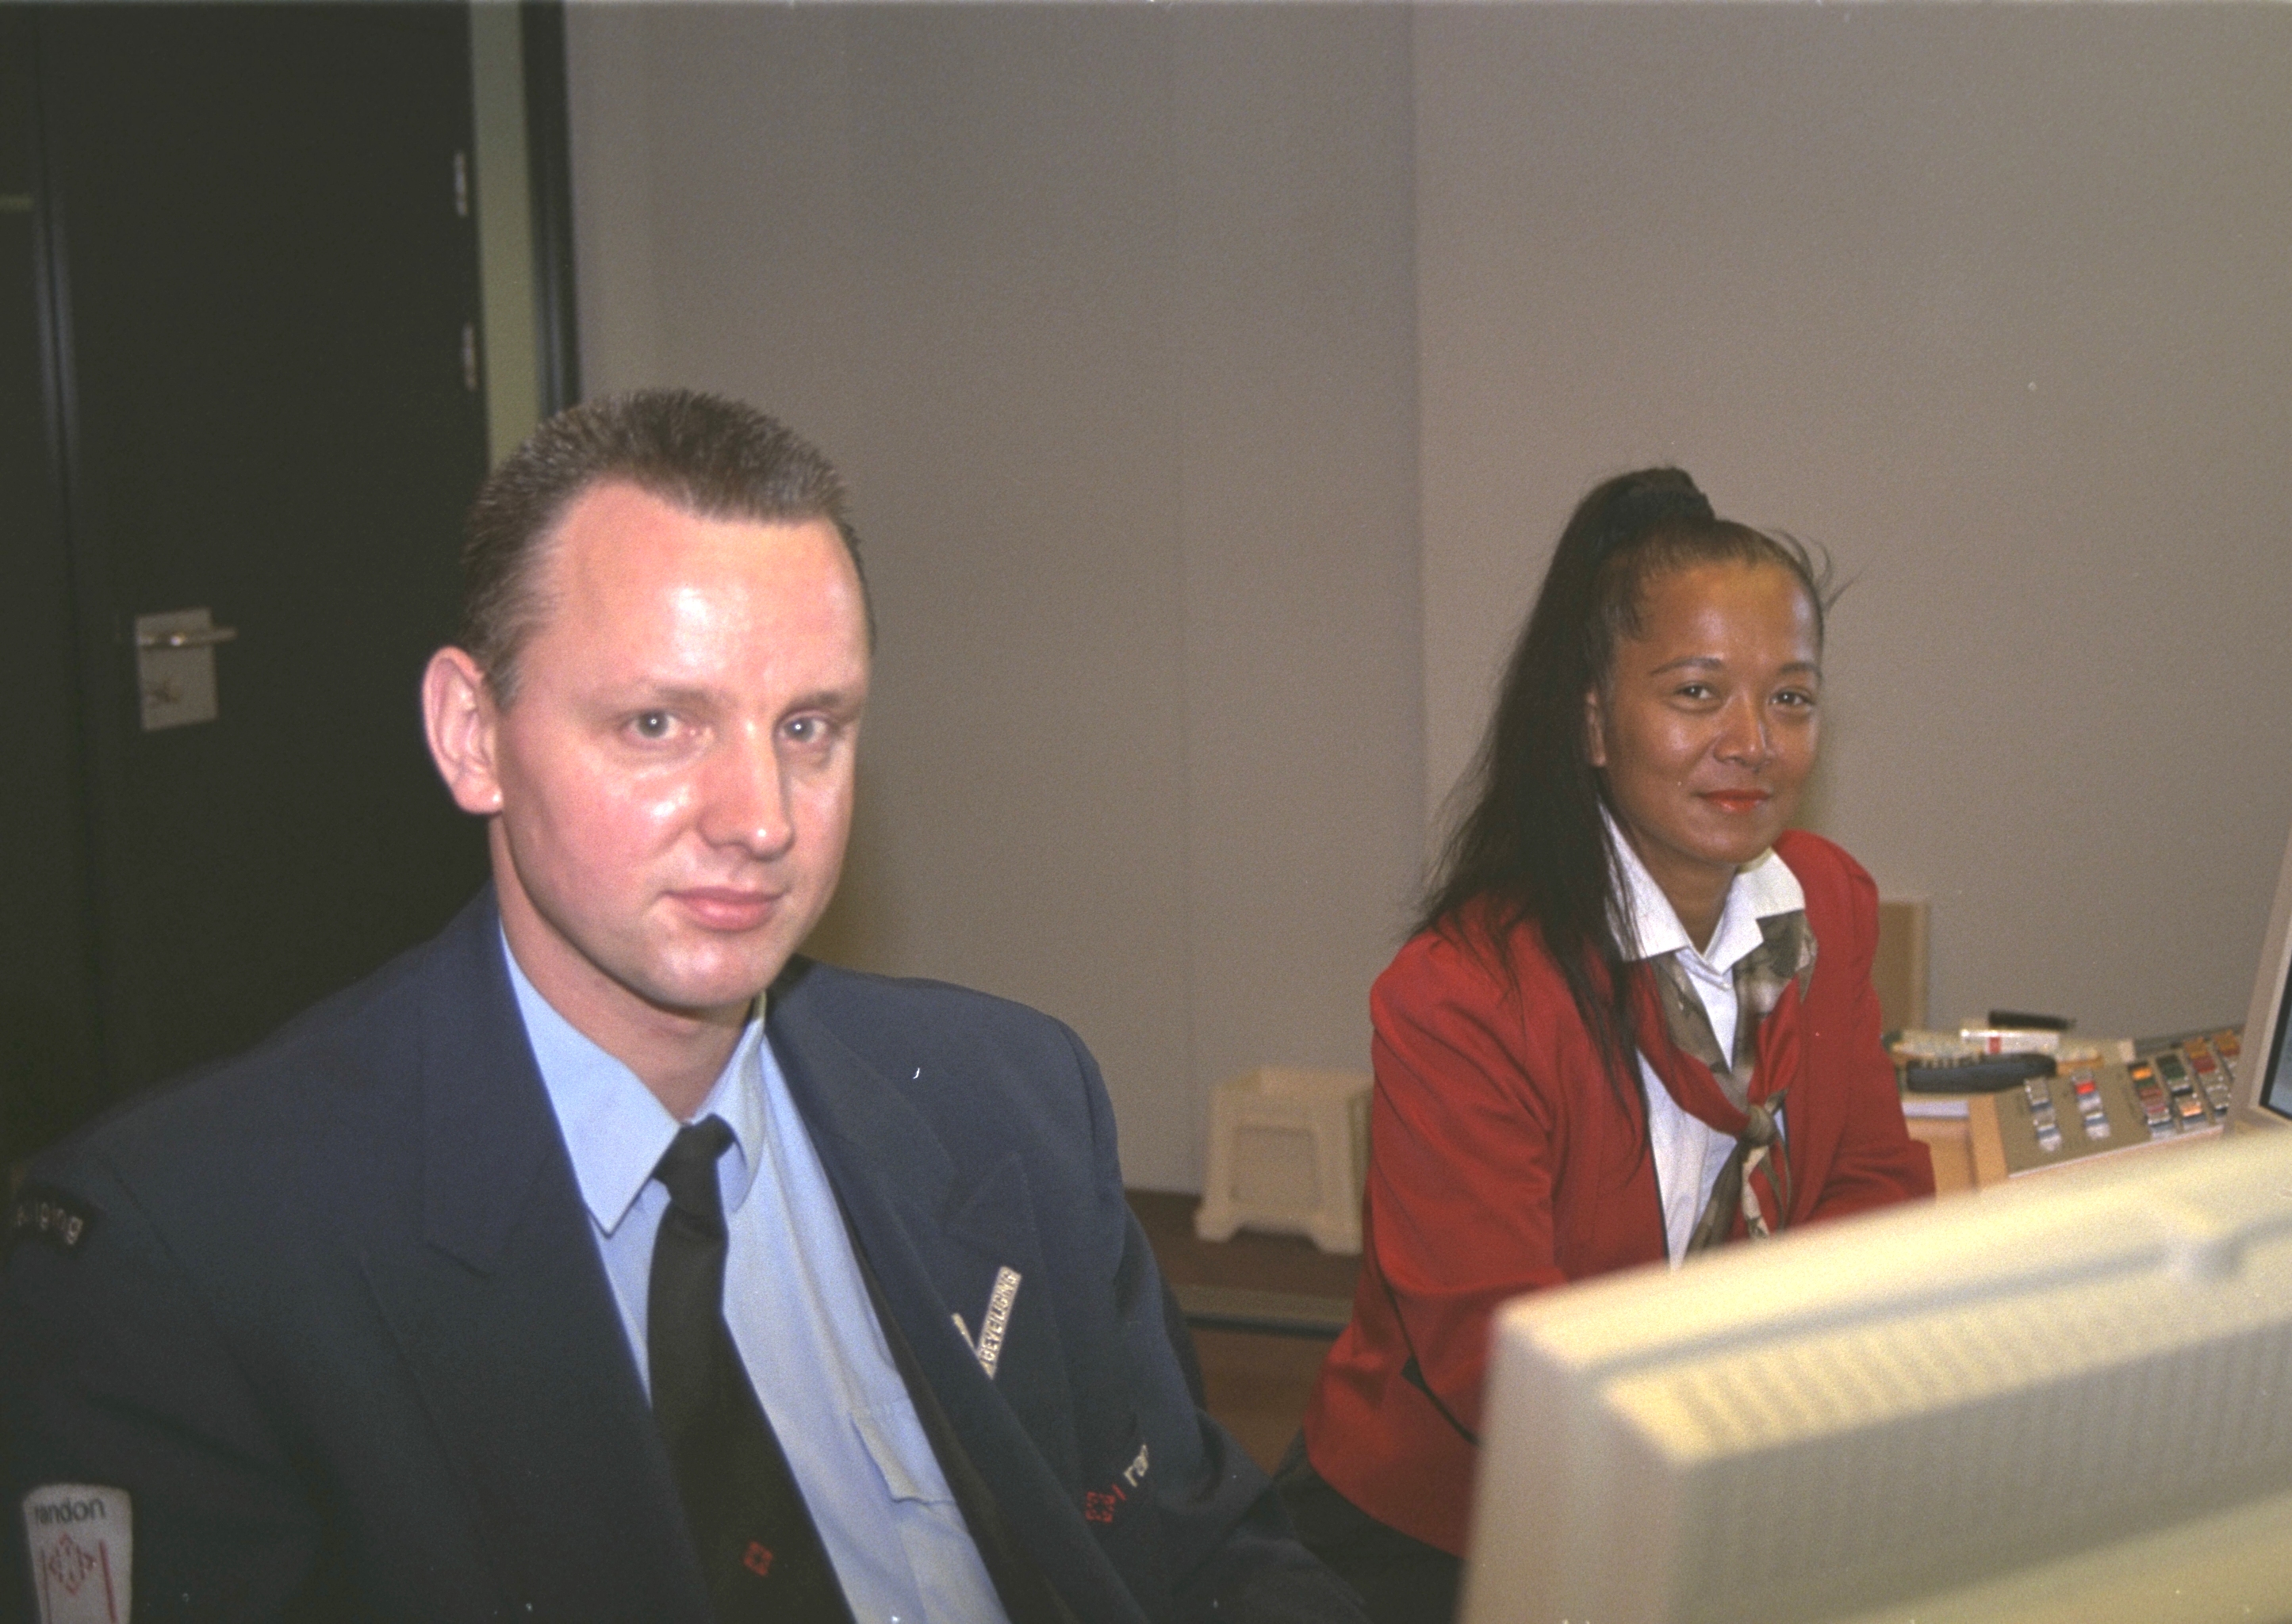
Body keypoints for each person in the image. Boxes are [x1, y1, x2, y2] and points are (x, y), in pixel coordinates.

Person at [2, 390, 1366, 1624]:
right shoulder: (190, 1256)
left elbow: (1205, 1559)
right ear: (473, 735)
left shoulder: (1010, 1095)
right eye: (659, 725)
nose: (760, 820)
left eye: (808, 728)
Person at [1276, 467, 1936, 1622]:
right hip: (1459, 1527)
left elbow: (1870, 1185)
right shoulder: (1464, 994)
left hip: (1733, 1479)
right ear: (1592, 720)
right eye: (1697, 694)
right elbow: (1501, 1360)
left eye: (1790, 699)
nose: (1753, 743)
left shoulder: (1828, 905)